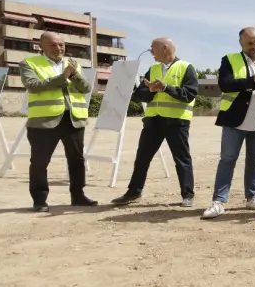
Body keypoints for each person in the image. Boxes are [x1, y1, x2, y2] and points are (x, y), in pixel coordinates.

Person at [202, 27, 255, 219]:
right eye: (250, 43)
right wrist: (253, 79)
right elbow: (225, 84)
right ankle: (219, 201)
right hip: (235, 120)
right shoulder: (229, 60)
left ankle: (251, 198)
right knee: (227, 159)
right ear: (241, 43)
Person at [111, 38, 198, 207]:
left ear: (164, 48)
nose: (151, 51)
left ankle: (188, 195)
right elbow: (140, 93)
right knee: (142, 158)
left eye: (153, 48)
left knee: (182, 159)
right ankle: (133, 192)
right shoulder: (153, 69)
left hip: (176, 122)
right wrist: (150, 90)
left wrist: (165, 88)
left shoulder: (187, 68)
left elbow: (190, 94)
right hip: (153, 121)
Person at [19, 31, 97, 211]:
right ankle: (39, 200)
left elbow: (86, 88)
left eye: (61, 45)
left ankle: (78, 196)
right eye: (53, 45)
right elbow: (33, 85)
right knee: (40, 162)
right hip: (44, 121)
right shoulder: (29, 63)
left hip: (73, 119)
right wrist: (63, 77)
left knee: (77, 160)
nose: (58, 48)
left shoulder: (72, 64)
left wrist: (74, 75)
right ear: (42, 46)